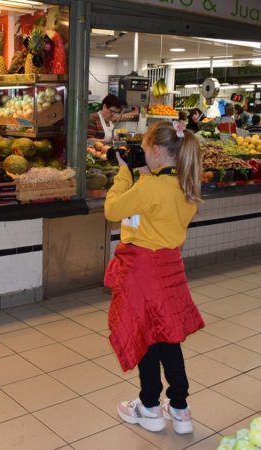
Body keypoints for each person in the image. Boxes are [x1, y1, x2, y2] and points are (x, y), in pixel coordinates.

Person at [103, 121, 204, 435]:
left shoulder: (149, 187)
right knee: (168, 337)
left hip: (142, 270)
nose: (141, 156)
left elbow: (112, 209)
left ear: (157, 151)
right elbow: (157, 205)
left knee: (146, 336)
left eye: (145, 151)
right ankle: (179, 407)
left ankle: (149, 405)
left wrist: (124, 174)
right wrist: (146, 177)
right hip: (170, 267)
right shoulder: (185, 187)